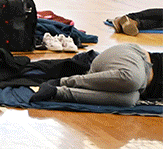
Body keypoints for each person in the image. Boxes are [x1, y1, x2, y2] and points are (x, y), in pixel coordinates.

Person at [30, 43, 162, 106]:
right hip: (135, 58)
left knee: (129, 101)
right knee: (132, 79)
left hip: (136, 88)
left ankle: (57, 92)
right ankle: (63, 81)